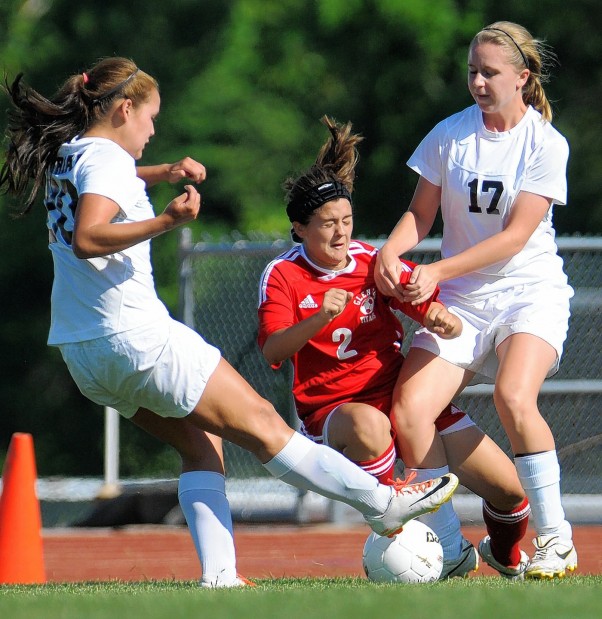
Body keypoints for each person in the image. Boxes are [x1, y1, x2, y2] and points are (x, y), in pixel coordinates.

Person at [0, 57, 459, 588]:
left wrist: (163, 173)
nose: (152, 131)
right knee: (266, 426)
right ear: (124, 108)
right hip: (137, 338)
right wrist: (166, 220)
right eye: (150, 118)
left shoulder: (74, 153)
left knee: (200, 443)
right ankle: (385, 504)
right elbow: (88, 236)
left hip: (84, 352)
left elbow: (103, 183)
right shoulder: (105, 160)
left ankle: (221, 577)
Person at [258, 115, 531, 580]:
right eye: (327, 224)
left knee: (509, 491)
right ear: (300, 229)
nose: (341, 233)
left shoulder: (368, 260)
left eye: (346, 220)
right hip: (337, 411)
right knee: (370, 425)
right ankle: (442, 544)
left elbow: (415, 294)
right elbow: (273, 351)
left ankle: (502, 556)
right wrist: (318, 317)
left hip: (399, 399)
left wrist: (436, 317)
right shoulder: (282, 275)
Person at [374, 22, 577, 580]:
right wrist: (390, 253)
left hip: (527, 293)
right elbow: (420, 214)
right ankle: (449, 549)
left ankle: (556, 538)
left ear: (522, 78)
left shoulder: (544, 142)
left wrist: (433, 269)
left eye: (490, 72)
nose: (479, 82)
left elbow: (514, 238)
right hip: (464, 299)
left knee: (515, 396)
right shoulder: (450, 134)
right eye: (472, 72)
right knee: (410, 410)